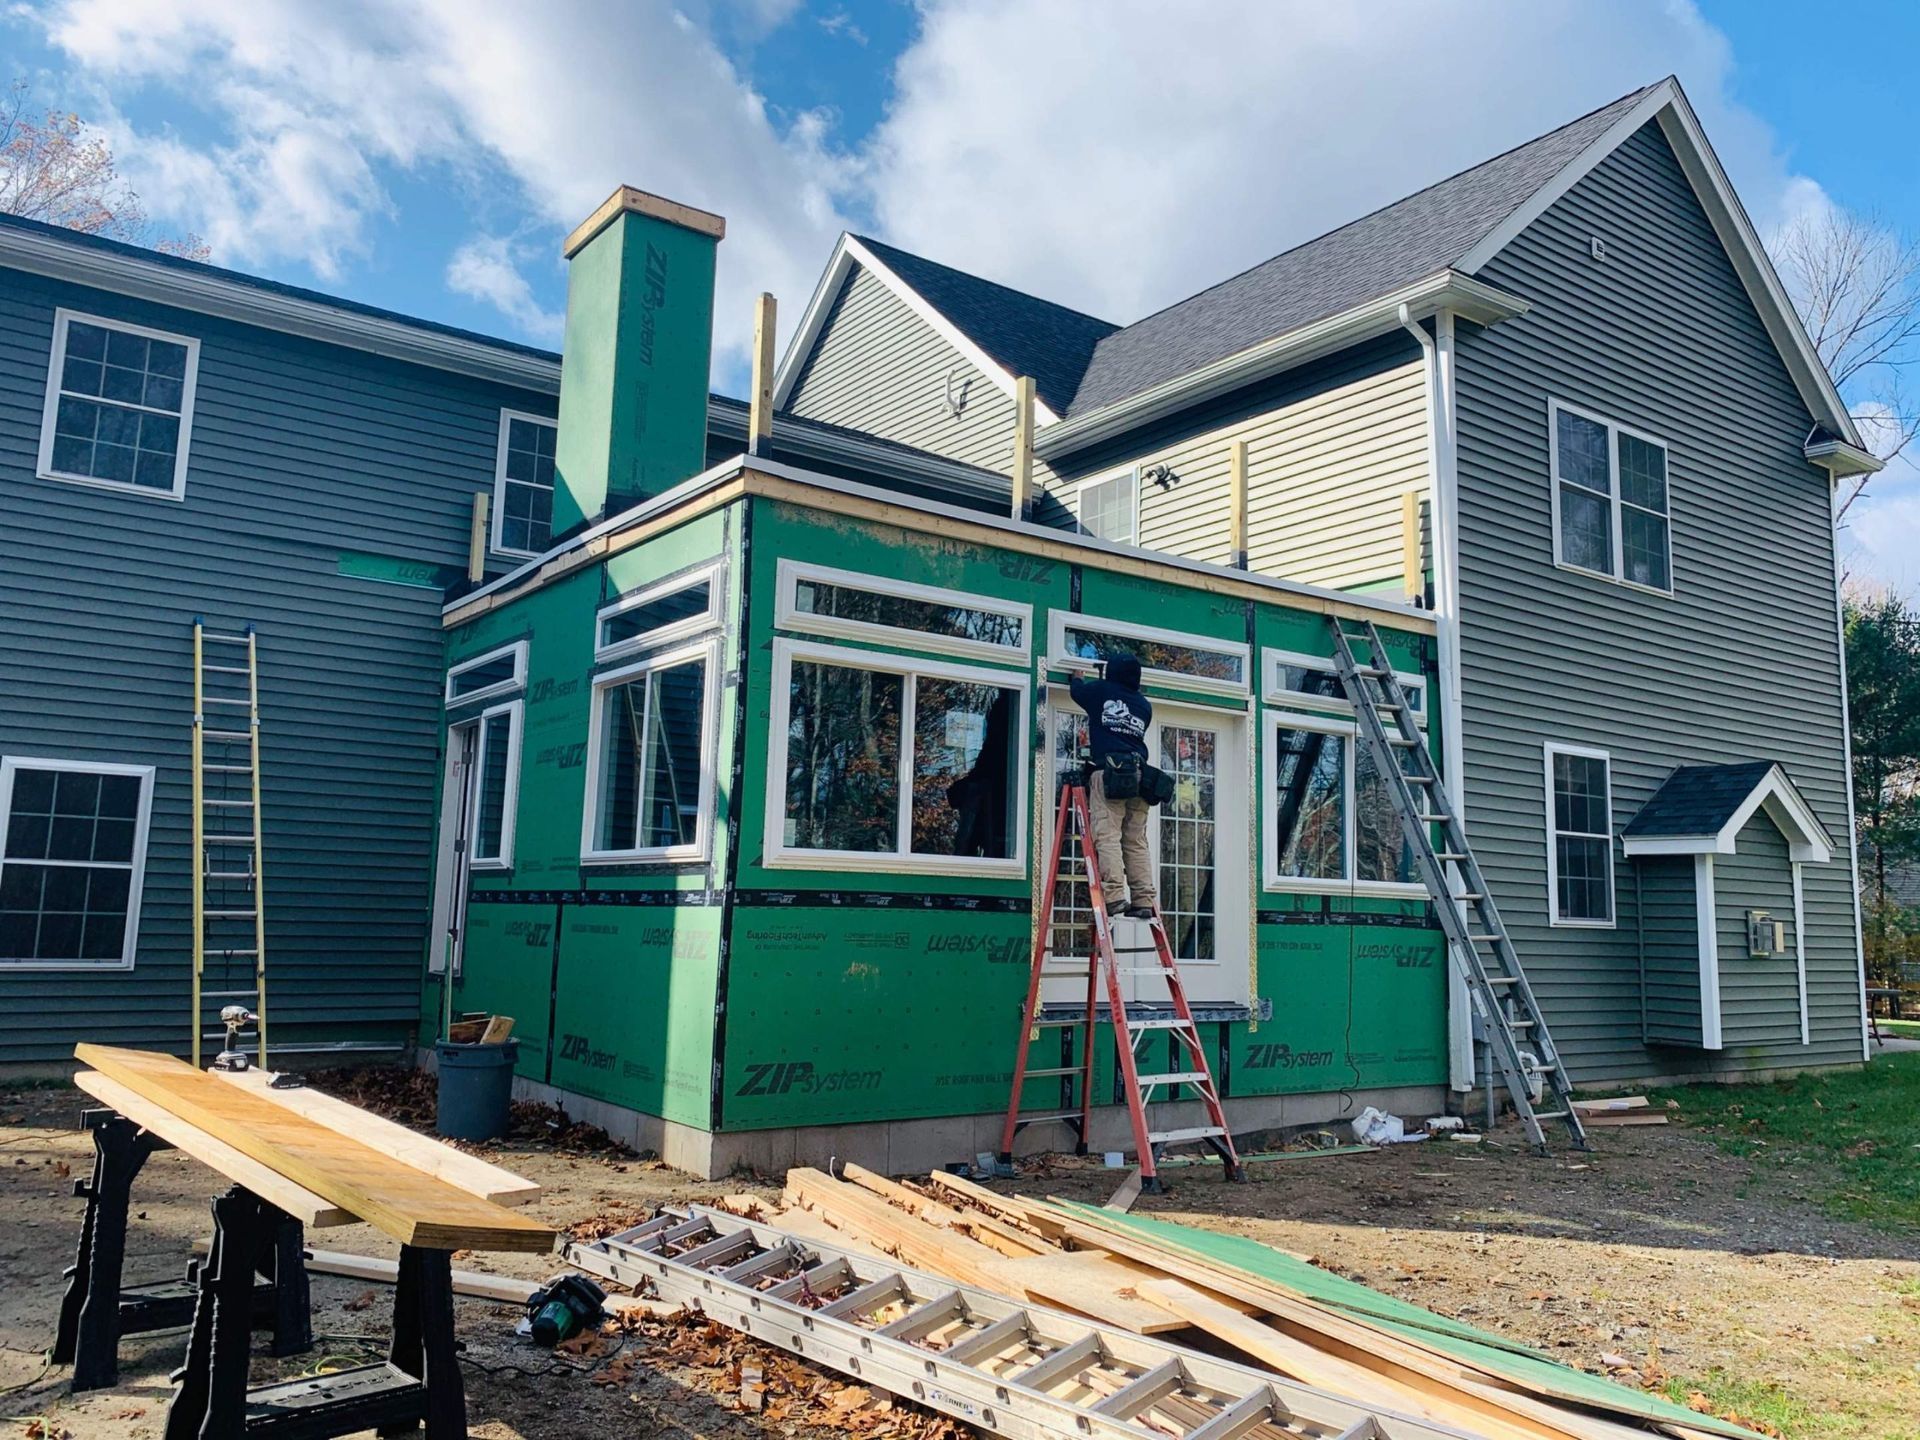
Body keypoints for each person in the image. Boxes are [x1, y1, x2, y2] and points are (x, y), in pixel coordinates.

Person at [1068, 655, 1156, 919]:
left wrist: (1077, 676)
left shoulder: (1102, 691)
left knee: (1107, 835)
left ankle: (1115, 897)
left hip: (1110, 772)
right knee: (1135, 840)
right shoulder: (1144, 705)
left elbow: (1078, 692)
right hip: (1140, 774)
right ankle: (1143, 900)